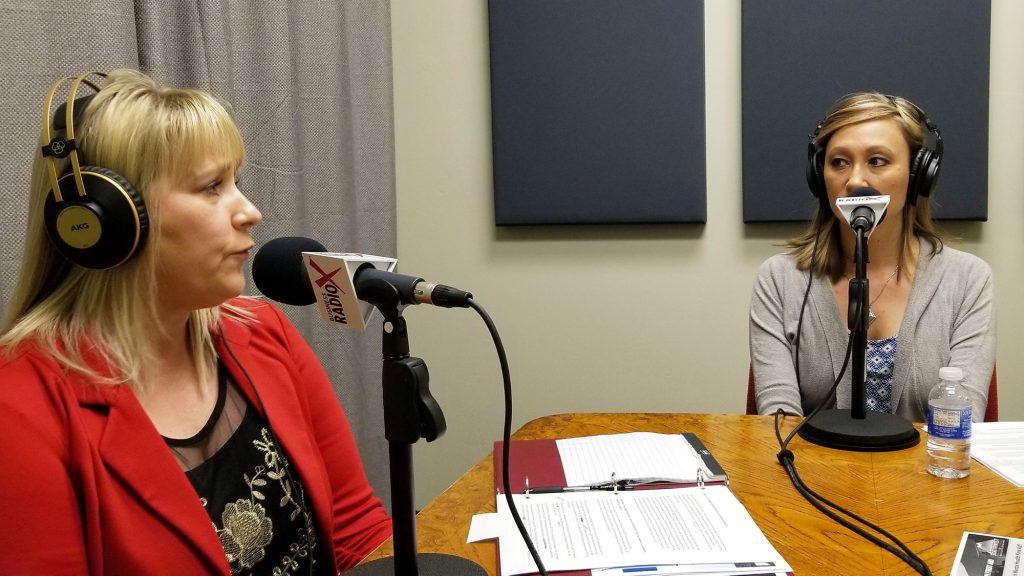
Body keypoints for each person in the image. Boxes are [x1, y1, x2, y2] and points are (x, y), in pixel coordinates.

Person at [0, 70, 391, 574]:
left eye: (236, 183)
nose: (250, 212)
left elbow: (356, 529)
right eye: (212, 187)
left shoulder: (264, 333)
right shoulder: (21, 411)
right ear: (107, 222)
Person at [749, 92, 995, 422]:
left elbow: (960, 423)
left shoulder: (967, 280)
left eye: (877, 161)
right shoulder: (780, 279)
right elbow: (777, 423)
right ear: (819, 177)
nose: (854, 180)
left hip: (925, 472)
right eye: (839, 162)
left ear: (918, 174)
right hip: (811, 472)